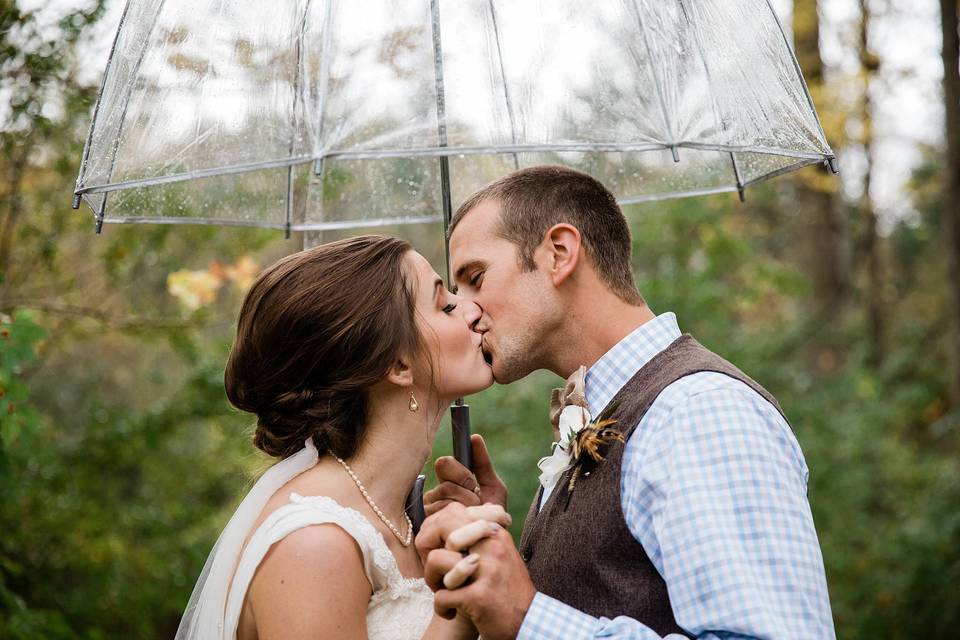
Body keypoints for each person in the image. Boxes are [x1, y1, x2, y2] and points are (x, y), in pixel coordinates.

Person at [417, 166, 836, 640]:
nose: (466, 311)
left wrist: (527, 616)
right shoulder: (617, 410)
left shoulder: (699, 411)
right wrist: (490, 548)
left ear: (559, 253)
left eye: (475, 277)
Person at [174, 235, 510, 640]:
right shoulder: (314, 542)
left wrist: (477, 543)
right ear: (398, 363)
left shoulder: (407, 523)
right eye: (445, 305)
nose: (473, 310)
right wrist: (456, 603)